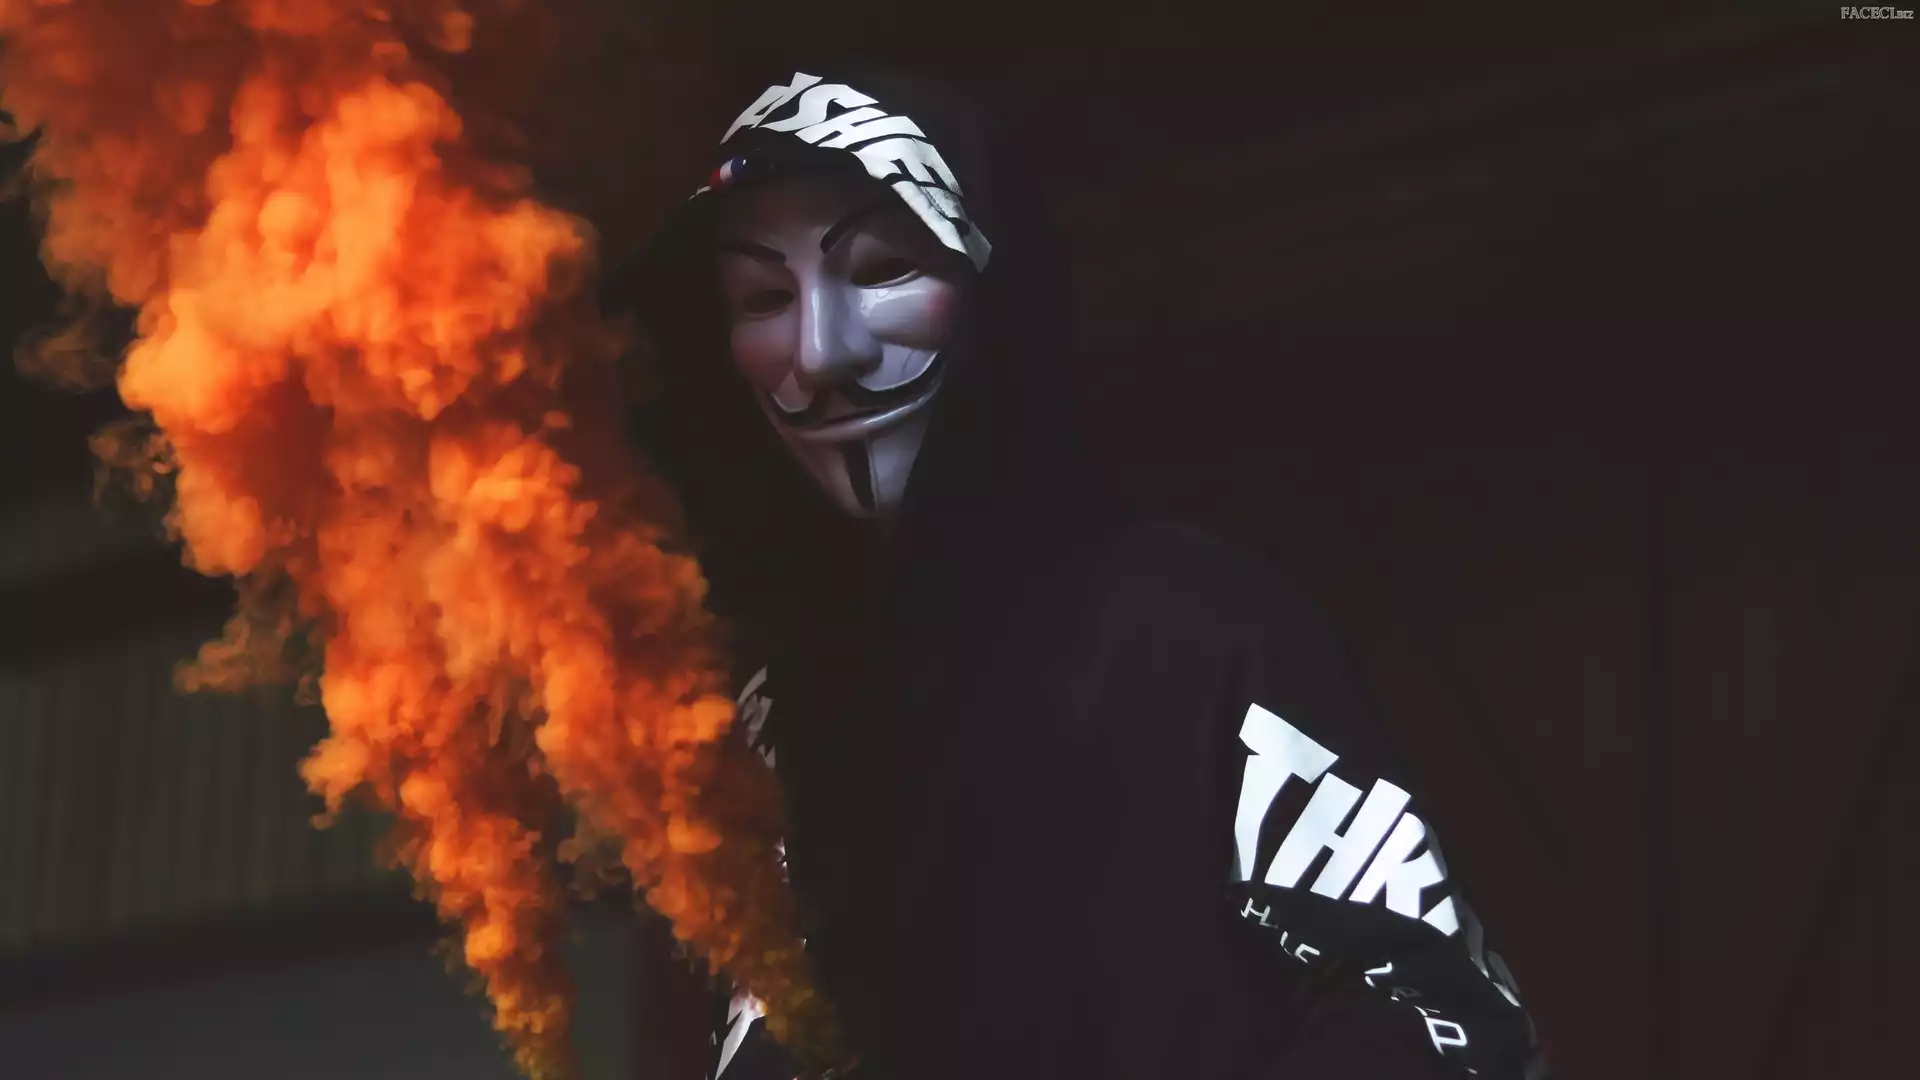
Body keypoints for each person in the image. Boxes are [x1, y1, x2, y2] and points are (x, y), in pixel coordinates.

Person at [608, 63, 1548, 1080]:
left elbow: (1445, 1022)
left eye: (883, 269)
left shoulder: (1197, 635)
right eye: (761, 297)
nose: (822, 352)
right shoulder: (773, 716)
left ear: (999, 291)